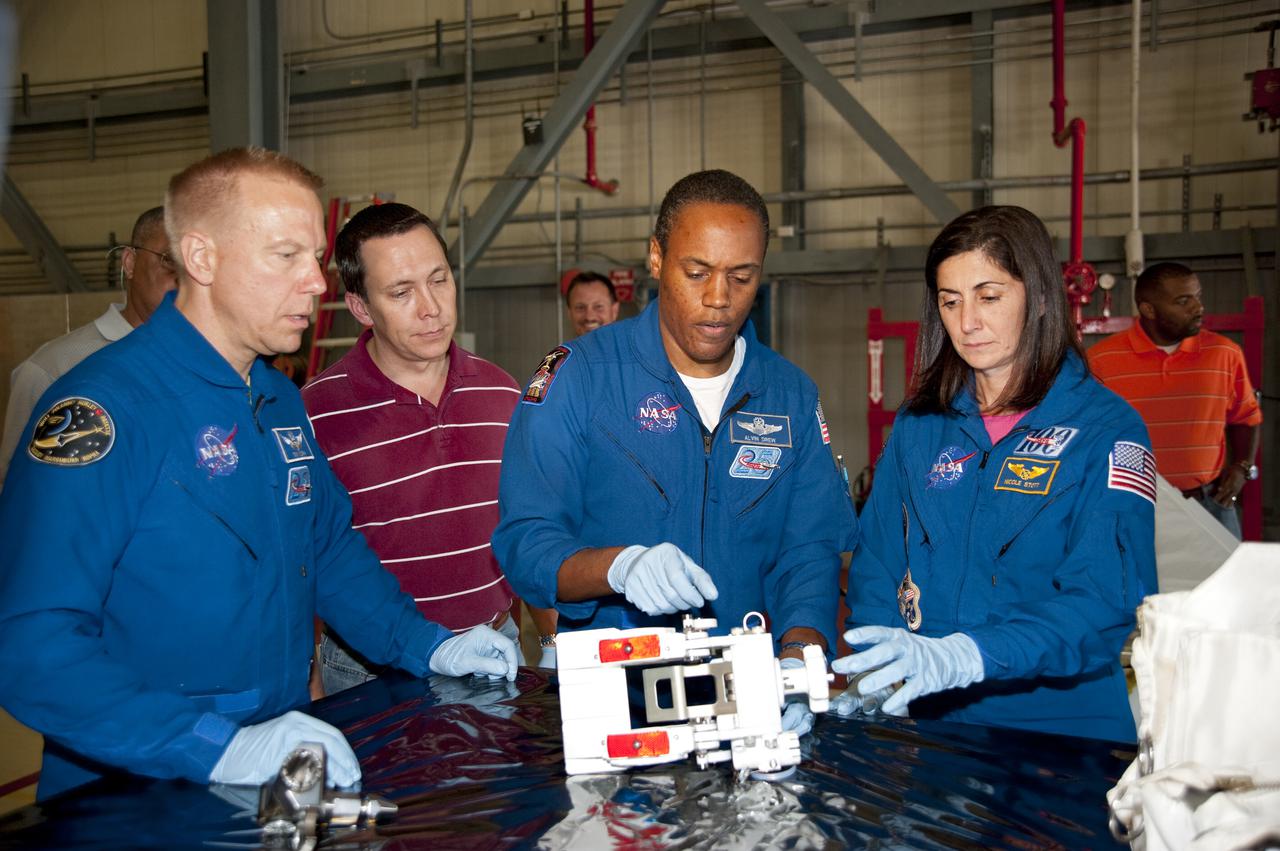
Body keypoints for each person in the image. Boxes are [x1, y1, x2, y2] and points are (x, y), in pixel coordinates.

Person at [0, 148, 517, 800]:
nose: (317, 283)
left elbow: (328, 549)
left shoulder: (276, 402)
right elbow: (30, 644)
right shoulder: (102, 413)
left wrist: (429, 646)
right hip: (140, 790)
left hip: (277, 768)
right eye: (286, 257)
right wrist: (215, 745)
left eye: (316, 258)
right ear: (202, 257)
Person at [494, 169, 857, 734]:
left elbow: (808, 548)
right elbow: (526, 542)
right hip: (615, 693)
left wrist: (800, 654)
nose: (719, 300)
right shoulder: (579, 379)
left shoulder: (789, 394)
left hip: (748, 692)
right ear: (657, 258)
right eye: (697, 272)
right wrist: (617, 567)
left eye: (742, 277)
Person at [832, 205, 1157, 743]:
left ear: (1042, 297)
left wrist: (972, 655)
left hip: (1061, 732)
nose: (968, 323)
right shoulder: (921, 425)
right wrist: (874, 668)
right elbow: (879, 562)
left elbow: (1104, 602)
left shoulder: (1107, 430)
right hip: (935, 726)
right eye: (950, 301)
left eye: (989, 296)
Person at [303, 202, 552, 692]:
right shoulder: (315, 415)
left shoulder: (501, 393)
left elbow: (528, 528)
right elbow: (310, 561)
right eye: (401, 292)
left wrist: (550, 641)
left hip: (493, 646)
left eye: (438, 280)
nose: (431, 307)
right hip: (367, 669)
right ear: (360, 307)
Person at [0, 206, 178, 484]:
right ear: (130, 263)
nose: (185, 277)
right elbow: (16, 486)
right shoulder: (53, 369)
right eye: (170, 259)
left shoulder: (214, 363)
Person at [1087, 262, 1261, 539]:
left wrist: (1242, 467)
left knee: (1223, 583)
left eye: (1197, 296)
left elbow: (1246, 417)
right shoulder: (1101, 361)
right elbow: (1086, 434)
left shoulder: (1224, 354)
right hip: (1132, 507)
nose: (1198, 307)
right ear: (1148, 309)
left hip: (1209, 504)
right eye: (1183, 301)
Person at [564, 270, 620, 338]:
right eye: (580, 308)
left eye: (598, 307)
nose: (589, 317)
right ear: (569, 313)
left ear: (615, 311)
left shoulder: (633, 348)